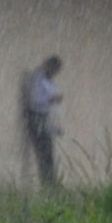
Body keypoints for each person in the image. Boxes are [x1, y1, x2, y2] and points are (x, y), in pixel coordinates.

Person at [22, 55, 64, 188]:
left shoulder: (47, 79)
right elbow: (34, 101)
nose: (56, 74)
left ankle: (50, 183)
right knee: (44, 153)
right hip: (36, 118)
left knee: (48, 153)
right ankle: (48, 184)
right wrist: (51, 99)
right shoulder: (38, 79)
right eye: (55, 70)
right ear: (50, 67)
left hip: (43, 118)